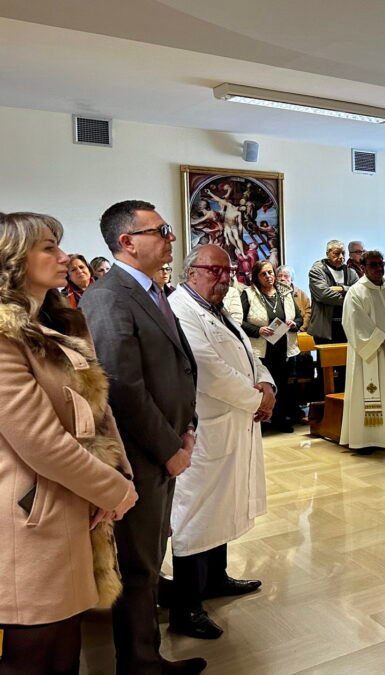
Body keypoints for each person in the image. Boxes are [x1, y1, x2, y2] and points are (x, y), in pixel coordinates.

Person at [0, 212, 138, 675]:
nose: (63, 257)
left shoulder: (58, 325)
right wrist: (113, 491)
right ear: (12, 260)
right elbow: (39, 440)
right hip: (30, 512)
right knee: (33, 652)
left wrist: (117, 473)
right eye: (48, 248)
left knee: (65, 645)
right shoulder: (3, 337)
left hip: (73, 500)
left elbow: (98, 410)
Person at [80, 200, 205, 675]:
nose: (170, 238)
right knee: (138, 565)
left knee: (151, 556)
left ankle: (144, 652)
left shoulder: (153, 292)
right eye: (161, 230)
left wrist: (187, 426)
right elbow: (123, 387)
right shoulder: (109, 297)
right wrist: (169, 448)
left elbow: (175, 367)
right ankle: (139, 661)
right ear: (127, 243)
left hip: (165, 445)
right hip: (139, 454)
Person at [168, 245, 272, 641]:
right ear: (191, 271)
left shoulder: (217, 309)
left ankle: (216, 579)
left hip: (234, 420)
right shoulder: (181, 309)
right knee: (196, 515)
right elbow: (210, 371)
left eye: (228, 271)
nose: (224, 277)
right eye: (214, 270)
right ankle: (186, 606)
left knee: (222, 505)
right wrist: (257, 399)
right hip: (206, 428)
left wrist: (267, 384)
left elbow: (249, 355)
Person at [340, 250, 385, 452]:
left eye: (381, 264)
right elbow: (355, 323)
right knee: (368, 393)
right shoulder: (356, 293)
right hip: (369, 355)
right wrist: (382, 338)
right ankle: (366, 440)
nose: (379, 268)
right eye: (373, 265)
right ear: (363, 267)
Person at [240, 260, 301, 432]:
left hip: (284, 348)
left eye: (270, 272)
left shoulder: (285, 293)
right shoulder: (249, 294)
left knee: (284, 386)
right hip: (262, 349)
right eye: (264, 274)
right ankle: (263, 421)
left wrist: (293, 324)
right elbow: (239, 322)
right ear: (256, 277)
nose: (269, 277)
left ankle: (281, 419)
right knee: (265, 386)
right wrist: (258, 330)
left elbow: (299, 317)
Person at [308, 239, 359, 344]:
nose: (341, 257)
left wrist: (341, 288)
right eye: (336, 253)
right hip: (325, 328)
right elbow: (323, 295)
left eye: (343, 253)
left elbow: (359, 293)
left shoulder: (351, 272)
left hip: (347, 326)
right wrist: (349, 295)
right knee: (326, 359)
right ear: (327, 254)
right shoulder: (317, 271)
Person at [278, 265, 312, 332]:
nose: (282, 278)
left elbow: (308, 312)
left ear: (291, 279)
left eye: (286, 276)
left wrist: (302, 328)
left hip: (298, 330)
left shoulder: (301, 294)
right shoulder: (272, 293)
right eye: (279, 276)